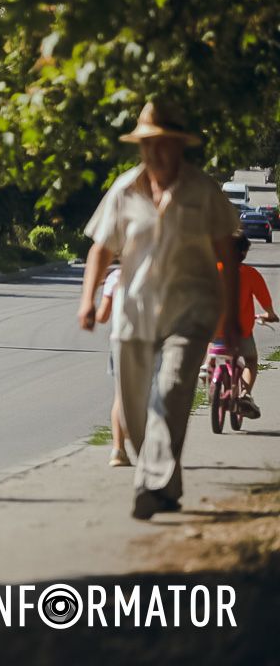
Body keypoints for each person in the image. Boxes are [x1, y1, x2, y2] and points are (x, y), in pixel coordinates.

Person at [78, 100, 240, 521]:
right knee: (134, 416)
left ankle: (149, 487)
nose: (156, 153)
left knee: (169, 395)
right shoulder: (124, 189)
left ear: (179, 146)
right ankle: (167, 484)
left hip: (192, 311)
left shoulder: (203, 190)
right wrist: (88, 300)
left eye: (164, 144)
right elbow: (101, 248)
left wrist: (231, 315)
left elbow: (227, 251)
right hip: (135, 314)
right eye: (148, 145)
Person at [214, 233, 278, 418]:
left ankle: (207, 370)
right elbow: (266, 305)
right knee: (250, 360)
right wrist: (270, 315)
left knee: (209, 344)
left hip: (215, 329)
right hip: (241, 331)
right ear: (243, 253)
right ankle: (245, 394)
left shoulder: (213, 271)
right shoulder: (250, 274)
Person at [95, 265, 130, 466]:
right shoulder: (159, 271)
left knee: (120, 395)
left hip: (120, 340)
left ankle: (118, 449)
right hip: (150, 340)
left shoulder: (115, 277)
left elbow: (102, 316)